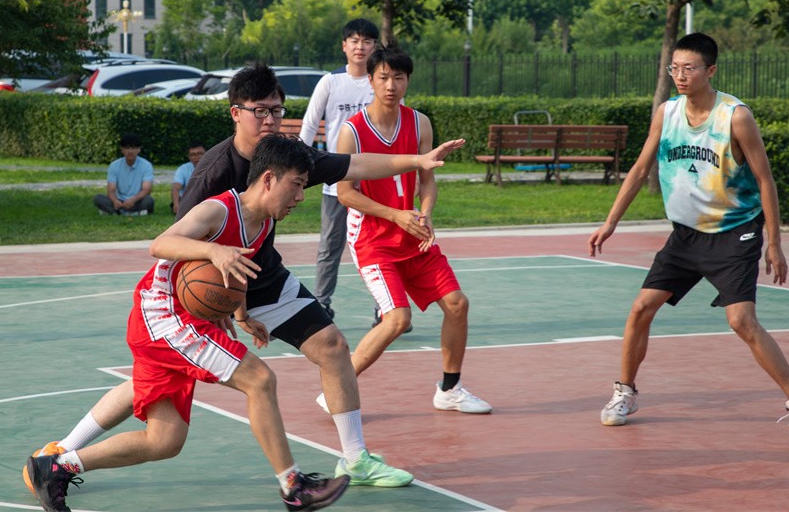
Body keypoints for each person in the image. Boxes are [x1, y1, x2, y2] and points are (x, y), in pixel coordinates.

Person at [23, 62, 466, 493]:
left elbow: (352, 165)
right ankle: (63, 453)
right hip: (203, 285)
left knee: (331, 346)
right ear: (236, 113)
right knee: (175, 387)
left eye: (277, 110)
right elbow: (175, 247)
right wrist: (221, 302)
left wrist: (417, 159)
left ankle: (355, 458)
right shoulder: (214, 174)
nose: (270, 119)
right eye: (260, 111)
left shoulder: (287, 157)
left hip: (260, 276)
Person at [26, 135, 350, 512]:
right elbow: (160, 244)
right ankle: (293, 486)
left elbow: (236, 272)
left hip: (168, 321)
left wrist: (241, 315)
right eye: (296, 185)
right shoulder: (218, 209)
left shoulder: (261, 224)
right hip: (164, 315)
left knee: (165, 441)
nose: (300, 197)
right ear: (268, 179)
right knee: (260, 380)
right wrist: (213, 250)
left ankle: (57, 467)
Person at [588, 32, 789, 445]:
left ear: (710, 70)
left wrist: (774, 242)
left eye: (689, 68)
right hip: (685, 236)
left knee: (741, 321)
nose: (680, 75)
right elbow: (641, 169)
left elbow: (765, 180)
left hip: (735, 232)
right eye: (674, 68)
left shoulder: (734, 117)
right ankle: (625, 392)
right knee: (641, 308)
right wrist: (611, 221)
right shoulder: (667, 113)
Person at [327, 46, 491, 415]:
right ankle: (335, 385)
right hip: (372, 239)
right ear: (370, 81)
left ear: (407, 81)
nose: (391, 85)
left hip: (411, 236)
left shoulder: (420, 124)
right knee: (398, 319)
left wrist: (425, 214)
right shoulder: (352, 132)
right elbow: (345, 194)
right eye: (383, 77)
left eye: (398, 78)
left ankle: (449, 390)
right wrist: (394, 215)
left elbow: (427, 181)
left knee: (457, 304)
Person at [299, 18, 379, 320]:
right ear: (344, 46)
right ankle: (322, 304)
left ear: (374, 46)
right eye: (354, 41)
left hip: (373, 181)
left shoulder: (381, 81)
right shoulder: (330, 82)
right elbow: (309, 125)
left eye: (367, 41)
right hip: (337, 181)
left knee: (378, 247)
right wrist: (298, 164)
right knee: (329, 247)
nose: (360, 47)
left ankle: (385, 307)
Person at [94, 133, 155, 216]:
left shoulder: (146, 165)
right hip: (120, 201)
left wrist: (133, 200)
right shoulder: (114, 165)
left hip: (137, 201)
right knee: (98, 198)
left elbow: (146, 189)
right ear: (122, 150)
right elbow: (111, 189)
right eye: (127, 148)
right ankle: (133, 213)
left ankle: (114, 212)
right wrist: (115, 201)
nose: (130, 151)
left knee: (149, 200)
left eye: (133, 148)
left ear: (139, 149)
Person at [170, 141, 205, 216]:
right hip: (187, 200)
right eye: (193, 154)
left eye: (199, 153)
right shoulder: (183, 169)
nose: (196, 157)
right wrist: (176, 205)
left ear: (206, 154)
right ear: (189, 157)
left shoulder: (214, 167)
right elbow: (176, 188)